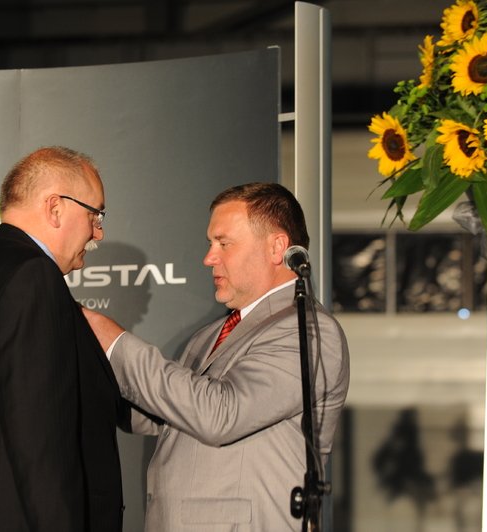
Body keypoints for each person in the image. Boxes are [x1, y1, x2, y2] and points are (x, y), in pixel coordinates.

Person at [83, 182, 350, 531]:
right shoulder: (212, 334)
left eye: (224, 243)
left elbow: (221, 414)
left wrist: (112, 340)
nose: (209, 258)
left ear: (277, 247)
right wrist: (90, 383)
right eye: (211, 244)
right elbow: (166, 415)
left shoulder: (309, 331)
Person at [0, 146, 124, 531]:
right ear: (55, 208)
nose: (98, 232)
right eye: (95, 214)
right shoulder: (32, 277)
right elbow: (40, 442)